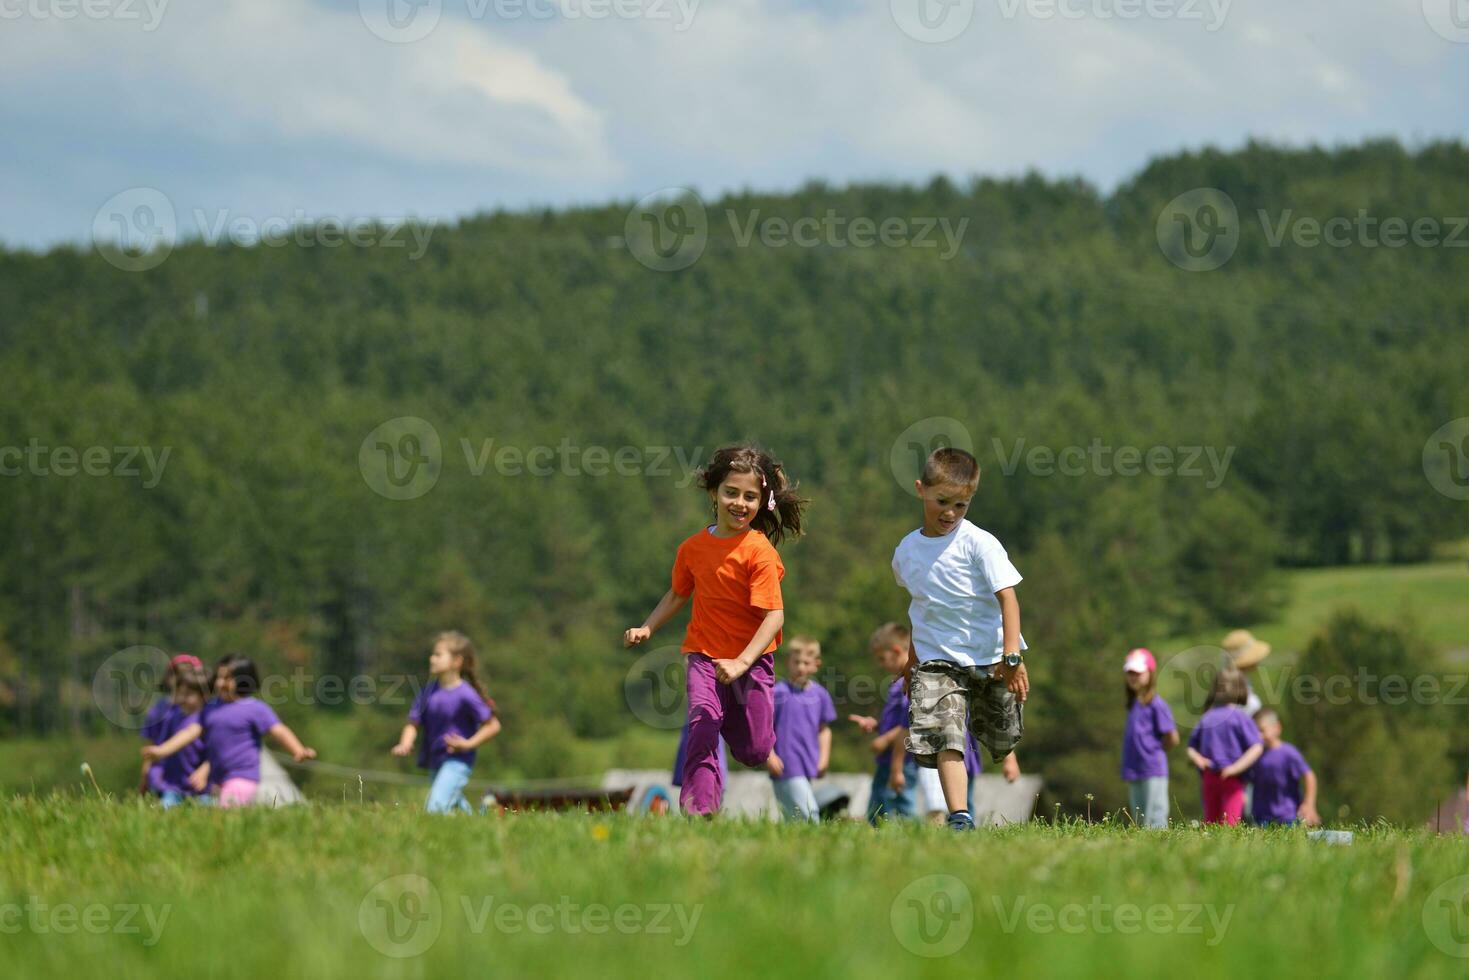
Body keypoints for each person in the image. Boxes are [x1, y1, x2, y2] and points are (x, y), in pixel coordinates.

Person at [623, 444, 807, 816]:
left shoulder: (759, 553)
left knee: (754, 750)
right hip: (704, 655)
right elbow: (677, 594)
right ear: (714, 493)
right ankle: (699, 810)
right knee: (702, 725)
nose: (740, 503)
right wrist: (647, 627)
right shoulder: (692, 548)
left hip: (752, 661)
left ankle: (749, 736)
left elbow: (774, 617)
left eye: (751, 497)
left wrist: (741, 662)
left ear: (762, 503)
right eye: (731, 492)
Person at [892, 448, 1028, 831]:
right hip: (938, 663)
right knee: (946, 732)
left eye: (961, 505)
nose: (950, 512)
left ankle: (1004, 749)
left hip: (991, 657)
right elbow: (922, 611)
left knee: (1002, 733)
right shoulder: (906, 552)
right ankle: (960, 816)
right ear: (921, 490)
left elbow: (1008, 599)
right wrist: (911, 662)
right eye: (942, 501)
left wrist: (1013, 656)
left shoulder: (979, 543)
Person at [144, 656, 316, 807]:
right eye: (219, 677)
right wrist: (162, 750)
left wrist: (297, 750)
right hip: (217, 779)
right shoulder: (211, 709)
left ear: (243, 680)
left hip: (242, 775)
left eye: (227, 678)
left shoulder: (255, 709)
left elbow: (278, 730)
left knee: (226, 810)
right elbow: (190, 732)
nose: (219, 682)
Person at [392, 631, 501, 814]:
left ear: (456, 661)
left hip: (458, 761)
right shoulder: (427, 692)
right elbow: (413, 723)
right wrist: (405, 743)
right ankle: (486, 810)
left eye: (438, 655)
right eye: (432, 654)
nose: (432, 659)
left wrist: (468, 744)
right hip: (436, 760)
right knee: (452, 802)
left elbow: (493, 725)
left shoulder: (465, 694)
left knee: (435, 807)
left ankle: (485, 811)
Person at [851, 624, 919, 824]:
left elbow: (907, 728)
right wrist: (878, 726)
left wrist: (895, 766)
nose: (881, 664)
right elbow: (897, 722)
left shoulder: (909, 684)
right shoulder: (896, 684)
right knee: (878, 804)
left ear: (897, 651)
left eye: (882, 658)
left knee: (901, 805)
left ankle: (910, 836)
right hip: (887, 760)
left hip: (902, 762)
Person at [766, 636, 836, 822]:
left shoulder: (821, 695)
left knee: (794, 819)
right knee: (810, 815)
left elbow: (824, 729)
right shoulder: (777, 693)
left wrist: (823, 759)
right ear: (788, 662)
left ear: (816, 665)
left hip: (808, 763)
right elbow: (764, 728)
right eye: (796, 662)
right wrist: (769, 755)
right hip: (785, 764)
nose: (801, 667)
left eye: (806, 662)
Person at [1185, 665, 1263, 825]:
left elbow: (1256, 747)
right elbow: (1191, 747)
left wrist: (1236, 768)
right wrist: (1198, 759)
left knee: (1228, 823)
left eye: (1228, 683)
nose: (1223, 687)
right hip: (1211, 777)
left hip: (1232, 779)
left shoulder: (1239, 718)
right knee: (1213, 823)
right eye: (1220, 683)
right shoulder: (1208, 717)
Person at [1121, 647, 1179, 828]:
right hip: (1134, 768)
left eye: (1138, 672)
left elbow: (1172, 736)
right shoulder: (1134, 704)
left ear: (1150, 674)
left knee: (1155, 816)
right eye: (1130, 672)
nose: (1133, 676)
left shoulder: (1156, 703)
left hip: (1152, 768)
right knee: (1139, 817)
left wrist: (1154, 752)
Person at [139, 653, 204, 801]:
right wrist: (145, 776)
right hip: (165, 774)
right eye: (177, 675)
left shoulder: (205, 711)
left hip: (195, 771)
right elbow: (151, 744)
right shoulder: (159, 710)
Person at [1250, 709, 1320, 826]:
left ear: (1277, 728)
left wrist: (1309, 804)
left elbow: (1309, 775)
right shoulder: (1255, 754)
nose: (1259, 735)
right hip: (1261, 816)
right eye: (1254, 731)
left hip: (1287, 816)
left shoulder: (1288, 753)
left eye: (1262, 730)